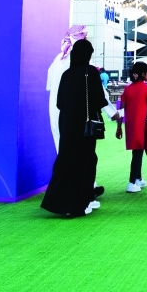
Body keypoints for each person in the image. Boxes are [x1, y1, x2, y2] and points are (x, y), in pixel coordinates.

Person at [41, 39, 107, 218]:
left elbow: (59, 102)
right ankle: (81, 202)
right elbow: (99, 100)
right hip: (85, 127)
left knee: (66, 160)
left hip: (67, 124)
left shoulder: (66, 74)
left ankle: (59, 202)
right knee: (85, 162)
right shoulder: (90, 72)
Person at [116, 62, 147, 192]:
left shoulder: (127, 89)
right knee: (138, 153)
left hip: (130, 126)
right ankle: (131, 182)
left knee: (137, 151)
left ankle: (138, 178)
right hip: (142, 126)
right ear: (143, 74)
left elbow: (121, 110)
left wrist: (119, 127)